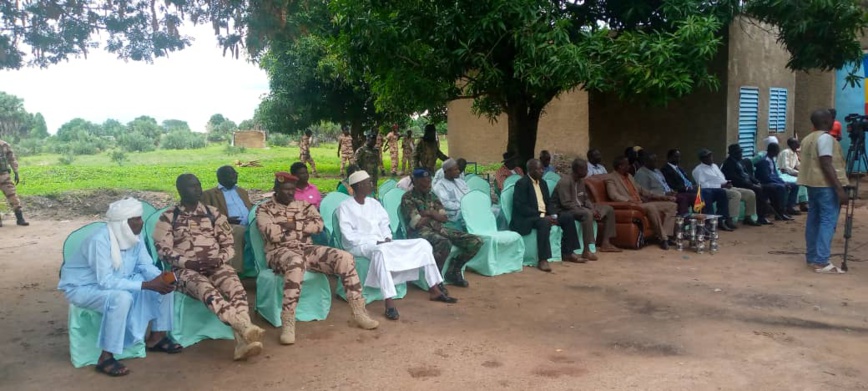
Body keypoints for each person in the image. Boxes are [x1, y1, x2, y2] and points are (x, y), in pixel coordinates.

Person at [59, 198, 179, 377]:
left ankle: (157, 338)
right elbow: (106, 281)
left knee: (164, 286)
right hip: (84, 287)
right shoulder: (99, 240)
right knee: (121, 298)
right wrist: (146, 284)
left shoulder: (134, 236)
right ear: (123, 223)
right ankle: (106, 357)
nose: (141, 222)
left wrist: (161, 279)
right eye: (136, 219)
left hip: (121, 279)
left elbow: (144, 265)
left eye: (140, 218)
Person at [256, 172, 379, 345]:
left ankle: (359, 311)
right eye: (285, 190)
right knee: (295, 263)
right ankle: (288, 322)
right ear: (276, 189)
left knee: (344, 257)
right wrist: (303, 230)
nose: (290, 193)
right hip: (279, 253)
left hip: (306, 249)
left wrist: (293, 225)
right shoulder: (264, 209)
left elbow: (319, 225)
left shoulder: (303, 205)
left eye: (292, 190)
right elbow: (272, 235)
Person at [154, 174, 265, 361]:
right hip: (185, 271)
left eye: (198, 185)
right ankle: (244, 327)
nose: (197, 189)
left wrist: (219, 260)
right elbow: (163, 250)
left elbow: (229, 245)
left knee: (236, 288)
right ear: (180, 190)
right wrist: (187, 263)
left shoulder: (212, 213)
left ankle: (241, 342)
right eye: (191, 187)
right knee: (206, 289)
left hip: (216, 265)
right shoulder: (169, 217)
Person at [337, 170, 456, 320]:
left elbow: (385, 224)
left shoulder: (374, 203)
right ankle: (389, 302)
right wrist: (376, 242)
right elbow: (348, 237)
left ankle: (434, 289)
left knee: (423, 244)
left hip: (382, 242)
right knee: (381, 252)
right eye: (368, 182)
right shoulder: (345, 207)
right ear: (359, 186)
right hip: (359, 246)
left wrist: (386, 237)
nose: (372, 185)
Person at [401, 169, 482, 287]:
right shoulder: (408, 198)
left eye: (429, 182)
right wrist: (434, 214)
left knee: (476, 241)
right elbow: (417, 224)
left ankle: (454, 270)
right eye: (423, 183)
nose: (427, 185)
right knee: (444, 242)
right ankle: (436, 281)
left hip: (439, 228)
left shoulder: (432, 195)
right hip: (418, 233)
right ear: (416, 182)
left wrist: (428, 213)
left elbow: (444, 218)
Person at [798, 109, 850, 273]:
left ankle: (813, 257)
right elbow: (826, 163)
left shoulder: (808, 138)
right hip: (825, 185)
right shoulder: (825, 138)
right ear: (827, 121)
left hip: (812, 184)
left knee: (814, 220)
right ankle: (821, 260)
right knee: (827, 221)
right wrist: (839, 188)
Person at [511, 159, 581, 270]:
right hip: (527, 218)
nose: (542, 171)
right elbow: (521, 207)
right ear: (531, 170)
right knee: (544, 222)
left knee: (567, 216)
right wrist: (542, 216)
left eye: (542, 169)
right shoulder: (522, 184)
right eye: (539, 169)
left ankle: (569, 252)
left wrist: (553, 215)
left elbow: (548, 203)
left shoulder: (543, 183)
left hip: (544, 215)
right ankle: (543, 260)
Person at [551, 158, 622, 259]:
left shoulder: (581, 181)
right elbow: (566, 203)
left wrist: (593, 208)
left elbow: (586, 199)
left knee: (608, 209)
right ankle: (586, 250)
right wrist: (587, 210)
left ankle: (606, 243)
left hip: (580, 207)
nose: (587, 171)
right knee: (587, 214)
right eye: (584, 169)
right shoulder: (565, 182)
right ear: (577, 170)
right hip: (564, 210)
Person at [605, 156, 678, 250]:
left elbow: (643, 191)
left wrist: (664, 197)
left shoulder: (630, 176)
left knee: (672, 206)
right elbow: (613, 195)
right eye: (627, 165)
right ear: (620, 166)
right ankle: (663, 239)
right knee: (651, 207)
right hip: (631, 205)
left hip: (641, 203)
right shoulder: (611, 178)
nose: (630, 166)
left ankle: (667, 235)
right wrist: (629, 201)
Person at [661, 149, 735, 230]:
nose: (678, 159)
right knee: (705, 193)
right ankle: (707, 222)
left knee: (721, 192)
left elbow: (686, 180)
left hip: (693, 189)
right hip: (682, 191)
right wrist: (687, 188)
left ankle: (721, 220)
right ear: (669, 158)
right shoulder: (665, 169)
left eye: (679, 157)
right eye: (676, 157)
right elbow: (671, 184)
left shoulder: (679, 168)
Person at [692, 149, 766, 226]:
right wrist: (720, 185)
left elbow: (721, 178)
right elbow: (703, 186)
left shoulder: (714, 166)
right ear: (702, 159)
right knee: (735, 194)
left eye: (710, 156)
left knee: (750, 193)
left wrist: (727, 182)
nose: (710, 158)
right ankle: (730, 219)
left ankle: (748, 217)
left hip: (726, 186)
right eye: (707, 157)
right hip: (716, 190)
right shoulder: (698, 170)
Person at [201, 165, 253, 272]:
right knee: (239, 231)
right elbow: (205, 215)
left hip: (250, 223)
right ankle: (236, 270)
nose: (234, 176)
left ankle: (259, 266)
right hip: (226, 225)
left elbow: (250, 206)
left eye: (235, 173)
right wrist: (225, 220)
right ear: (220, 177)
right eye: (230, 174)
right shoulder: (210, 194)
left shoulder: (242, 191)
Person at [720, 144, 789, 221]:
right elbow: (736, 179)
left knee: (773, 189)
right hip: (738, 185)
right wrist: (752, 185)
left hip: (748, 183)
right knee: (760, 190)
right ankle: (761, 217)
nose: (741, 154)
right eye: (739, 153)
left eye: (741, 152)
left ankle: (779, 212)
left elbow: (748, 175)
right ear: (734, 154)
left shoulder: (740, 162)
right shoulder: (728, 164)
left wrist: (756, 182)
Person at [633, 153, 697, 219]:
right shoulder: (641, 174)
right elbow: (645, 193)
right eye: (653, 161)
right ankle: (683, 221)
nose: (656, 162)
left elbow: (664, 184)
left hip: (669, 193)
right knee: (682, 198)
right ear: (645, 162)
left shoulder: (657, 171)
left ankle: (699, 220)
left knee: (694, 196)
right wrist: (664, 194)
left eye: (656, 160)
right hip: (659, 197)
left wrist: (671, 191)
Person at [756, 143, 801, 216]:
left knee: (795, 185)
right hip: (765, 182)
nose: (778, 152)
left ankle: (790, 207)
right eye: (777, 151)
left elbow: (775, 175)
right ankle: (781, 211)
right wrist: (781, 183)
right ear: (772, 151)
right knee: (782, 187)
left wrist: (782, 181)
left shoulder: (772, 160)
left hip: (773, 181)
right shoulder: (764, 161)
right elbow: (767, 177)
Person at [432, 159, 471, 227]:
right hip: (455, 214)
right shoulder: (440, 186)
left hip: (468, 208)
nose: (458, 171)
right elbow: (445, 204)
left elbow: (469, 194)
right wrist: (463, 207)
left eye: (458, 169)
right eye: (455, 170)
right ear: (447, 171)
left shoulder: (460, 182)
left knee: (494, 210)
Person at [0, 138, 28, 226]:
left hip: (4, 175)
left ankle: (20, 218)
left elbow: (11, 159)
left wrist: (16, 172)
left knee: (13, 196)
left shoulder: (4, 145)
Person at [354, 131, 382, 197]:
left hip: (374, 176)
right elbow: (355, 164)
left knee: (373, 193)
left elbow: (377, 162)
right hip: (364, 177)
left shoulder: (376, 151)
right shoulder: (361, 150)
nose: (374, 142)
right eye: (372, 140)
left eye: (375, 140)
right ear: (367, 139)